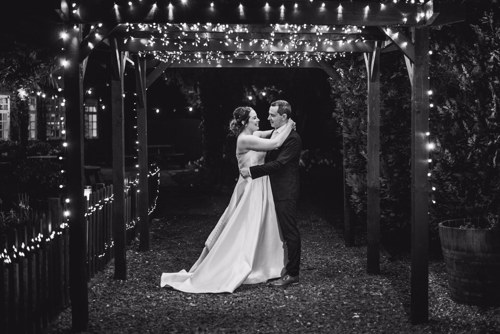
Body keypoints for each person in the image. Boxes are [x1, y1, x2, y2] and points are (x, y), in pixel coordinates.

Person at [160, 106, 295, 293]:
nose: (258, 120)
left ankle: (262, 262)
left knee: (260, 226)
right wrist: (288, 125)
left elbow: (271, 133)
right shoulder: (245, 139)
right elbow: (275, 144)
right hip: (250, 187)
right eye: (254, 118)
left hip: (260, 185)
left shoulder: (254, 134)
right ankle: (237, 263)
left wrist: (281, 127)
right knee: (244, 227)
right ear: (245, 122)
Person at [240, 100, 302, 287]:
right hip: (269, 190)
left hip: (285, 190)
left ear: (284, 116)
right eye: (268, 114)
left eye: (272, 115)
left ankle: (293, 273)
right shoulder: (276, 133)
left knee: (289, 231)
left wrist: (252, 171)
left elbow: (279, 164)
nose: (268, 118)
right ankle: (273, 266)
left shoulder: (292, 138)